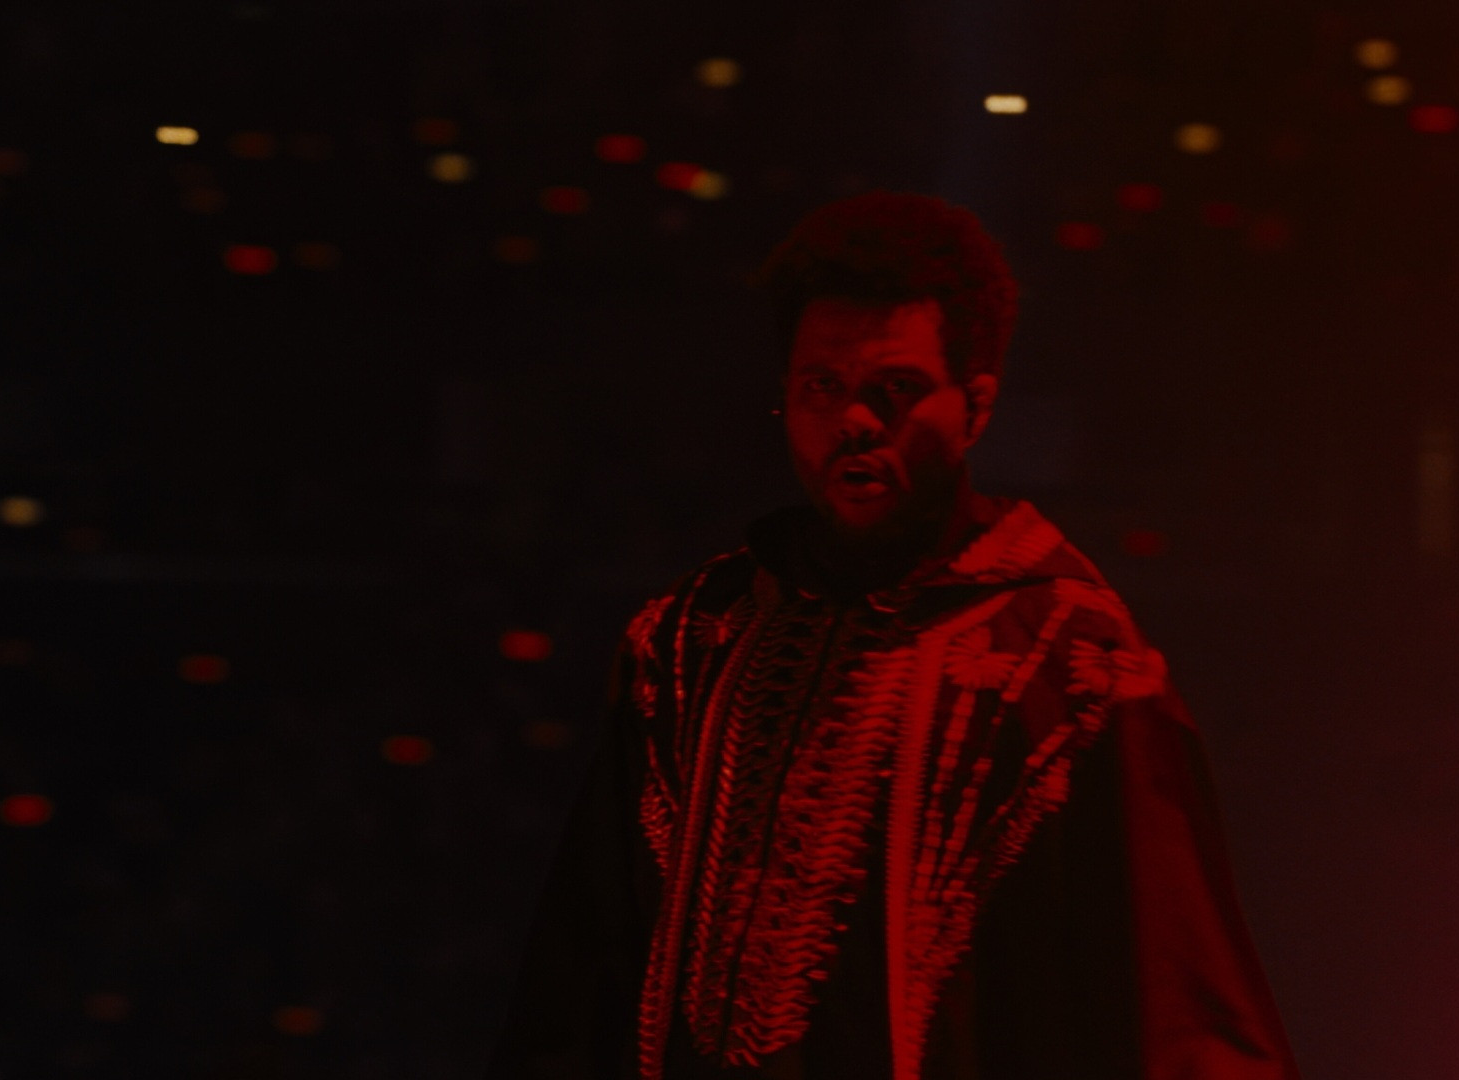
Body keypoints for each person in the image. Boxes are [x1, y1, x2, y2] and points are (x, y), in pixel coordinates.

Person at [485, 192, 1303, 1080]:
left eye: (896, 390)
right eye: (822, 386)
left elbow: (1181, 1009)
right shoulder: (689, 646)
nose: (855, 422)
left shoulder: (1070, 667)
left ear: (976, 407)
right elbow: (579, 982)